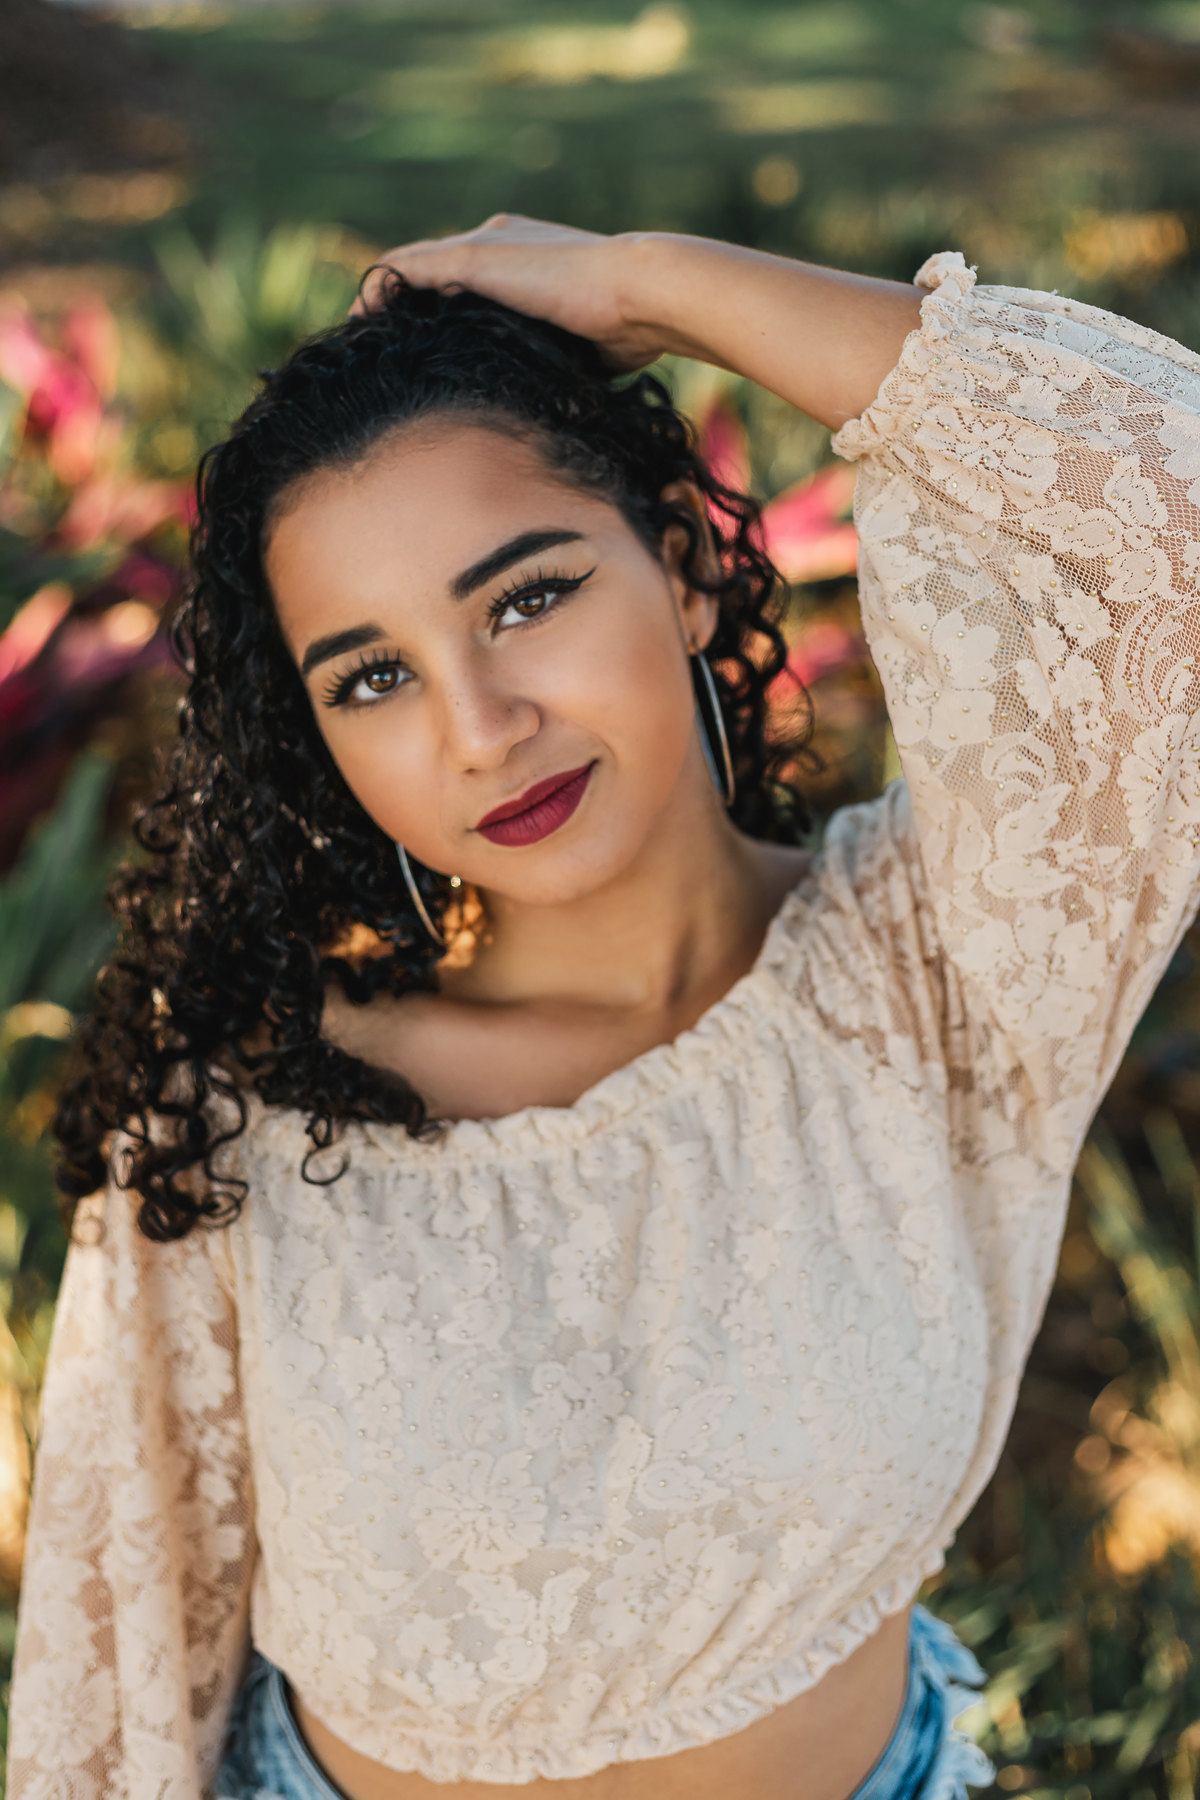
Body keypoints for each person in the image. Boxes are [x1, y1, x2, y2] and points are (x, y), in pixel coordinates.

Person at [8, 214, 1200, 1800]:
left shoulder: (937, 974)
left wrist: (653, 286)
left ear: (693, 572)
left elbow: (1159, 517)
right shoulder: (241, 1126)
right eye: (374, 678)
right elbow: (120, 1690)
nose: (482, 727)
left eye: (525, 598)